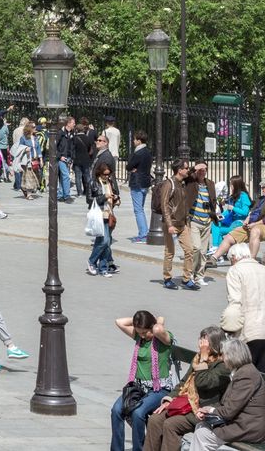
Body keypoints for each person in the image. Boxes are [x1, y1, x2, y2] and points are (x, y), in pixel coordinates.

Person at [142, 326, 230, 451]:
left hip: (201, 410)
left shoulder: (223, 365)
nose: (201, 345)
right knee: (155, 420)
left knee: (171, 425)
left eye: (205, 342)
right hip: (185, 404)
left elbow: (203, 382)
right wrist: (169, 399)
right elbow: (184, 382)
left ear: (215, 344)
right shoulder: (198, 359)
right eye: (201, 340)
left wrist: (203, 359)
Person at [187, 337, 265, 451]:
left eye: (224, 355)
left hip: (248, 428)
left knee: (203, 435)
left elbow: (230, 411)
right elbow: (230, 405)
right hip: (241, 423)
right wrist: (208, 410)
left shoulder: (246, 375)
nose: (222, 358)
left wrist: (210, 411)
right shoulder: (242, 371)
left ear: (233, 356)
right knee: (201, 426)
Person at [111, 311, 175, 451]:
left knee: (138, 413)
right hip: (138, 388)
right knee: (116, 410)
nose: (143, 336)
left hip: (159, 389)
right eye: (139, 332)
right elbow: (119, 321)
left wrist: (158, 320)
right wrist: (137, 321)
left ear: (152, 326)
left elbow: (158, 329)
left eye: (145, 332)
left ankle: (139, 449)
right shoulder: (140, 338)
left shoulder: (162, 339)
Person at [223, 243, 265, 373]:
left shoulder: (235, 270)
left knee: (245, 376)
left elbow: (235, 302)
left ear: (234, 257)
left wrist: (229, 329)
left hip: (249, 331)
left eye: (230, 260)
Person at [209, 178, 265, 264]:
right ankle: (214, 258)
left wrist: (255, 224)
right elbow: (251, 212)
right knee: (230, 235)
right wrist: (247, 220)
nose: (262, 189)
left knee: (255, 231)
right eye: (262, 187)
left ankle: (251, 260)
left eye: (264, 187)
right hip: (251, 225)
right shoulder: (261, 199)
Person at [159, 160, 195, 290]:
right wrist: (169, 224)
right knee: (170, 252)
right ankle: (167, 278)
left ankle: (186, 279)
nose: (188, 170)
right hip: (171, 223)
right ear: (179, 170)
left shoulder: (182, 183)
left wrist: (187, 222)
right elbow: (164, 205)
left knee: (189, 250)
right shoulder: (169, 184)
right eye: (186, 168)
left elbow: (183, 205)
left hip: (183, 223)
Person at [86, 160, 122, 277]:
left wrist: (116, 199)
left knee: (103, 242)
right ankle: (92, 261)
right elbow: (89, 200)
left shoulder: (110, 183)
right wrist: (103, 197)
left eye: (108, 174)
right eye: (104, 174)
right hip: (99, 215)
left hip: (109, 214)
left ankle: (103, 268)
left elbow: (115, 194)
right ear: (99, 173)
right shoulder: (93, 183)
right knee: (105, 241)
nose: (106, 176)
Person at [126, 130, 153, 243]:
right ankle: (144, 233)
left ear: (139, 140)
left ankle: (143, 234)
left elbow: (129, 166)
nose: (133, 141)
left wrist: (133, 169)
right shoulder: (148, 152)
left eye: (134, 139)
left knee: (138, 210)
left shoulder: (138, 153)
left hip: (137, 182)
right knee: (140, 209)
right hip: (145, 182)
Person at [211, 176, 251, 251]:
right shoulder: (233, 196)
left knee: (218, 231)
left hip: (239, 222)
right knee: (215, 224)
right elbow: (228, 211)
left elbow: (245, 212)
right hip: (232, 221)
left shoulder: (243, 196)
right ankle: (217, 248)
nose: (231, 186)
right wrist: (219, 217)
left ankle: (217, 249)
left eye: (231, 184)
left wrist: (233, 208)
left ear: (236, 185)